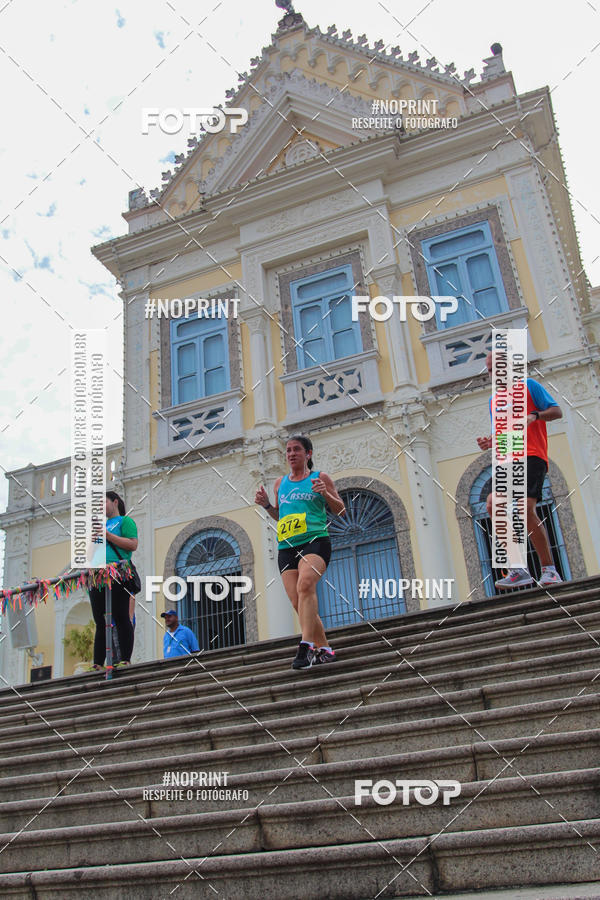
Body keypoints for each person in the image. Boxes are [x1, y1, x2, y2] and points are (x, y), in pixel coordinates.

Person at [254, 435, 345, 669]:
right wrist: (266, 505)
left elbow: (341, 510)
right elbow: (279, 516)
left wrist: (325, 493)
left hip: (315, 541)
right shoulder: (279, 483)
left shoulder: (319, 478)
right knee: (298, 602)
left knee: (305, 586)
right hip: (287, 547)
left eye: (296, 450)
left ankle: (305, 648)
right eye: (288, 450)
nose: (291, 454)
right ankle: (324, 649)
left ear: (308, 454)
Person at [477, 352, 563, 590]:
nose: (492, 373)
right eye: (489, 369)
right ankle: (518, 569)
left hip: (533, 455)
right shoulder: (494, 401)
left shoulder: (529, 386)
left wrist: (534, 416)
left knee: (525, 509)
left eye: (495, 367)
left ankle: (549, 570)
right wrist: (491, 442)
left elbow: (556, 411)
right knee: (493, 503)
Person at [87, 491, 138, 670]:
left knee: (121, 616)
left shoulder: (125, 521)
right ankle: (97, 663)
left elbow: (132, 545)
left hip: (118, 574)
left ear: (115, 502)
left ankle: (125, 659)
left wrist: (108, 536)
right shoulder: (99, 526)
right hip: (97, 577)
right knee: (100, 621)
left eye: (104, 502)